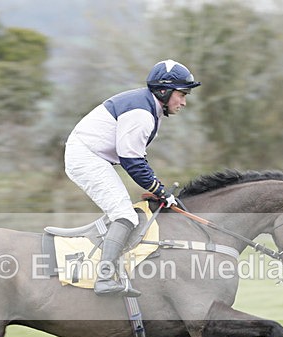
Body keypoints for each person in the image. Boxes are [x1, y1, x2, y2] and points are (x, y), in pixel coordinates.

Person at [64, 59, 201, 297]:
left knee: (124, 212)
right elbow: (132, 162)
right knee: (124, 214)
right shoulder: (142, 113)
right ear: (164, 91)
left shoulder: (148, 107)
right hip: (86, 157)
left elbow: (136, 160)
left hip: (92, 156)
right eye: (181, 94)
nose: (184, 102)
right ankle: (104, 278)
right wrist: (160, 190)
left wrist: (158, 189)